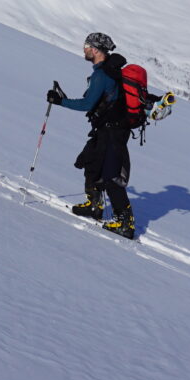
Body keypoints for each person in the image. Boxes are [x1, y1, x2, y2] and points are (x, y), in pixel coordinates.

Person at [47, 32, 136, 238]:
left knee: (111, 175)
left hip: (113, 131)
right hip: (107, 129)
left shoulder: (102, 75)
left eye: (87, 45)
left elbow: (87, 104)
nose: (84, 49)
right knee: (90, 162)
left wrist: (60, 101)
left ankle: (126, 223)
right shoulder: (107, 72)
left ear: (96, 50)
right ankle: (94, 206)